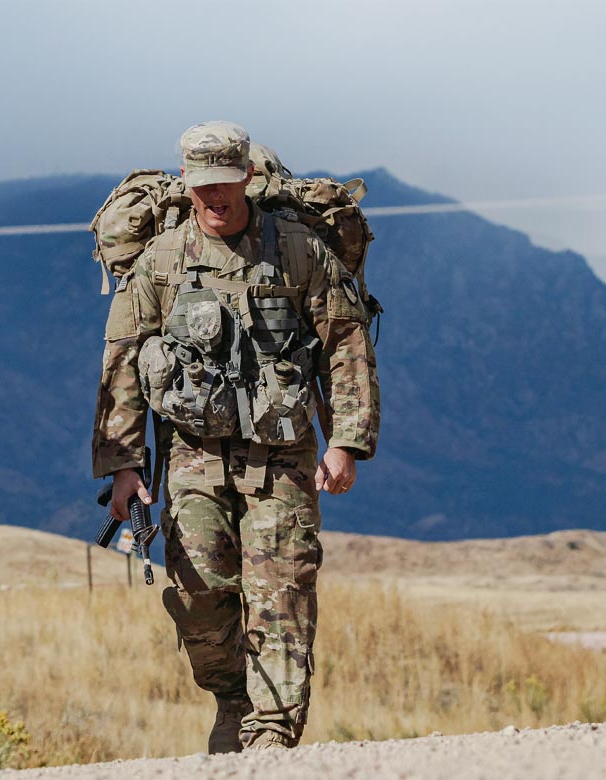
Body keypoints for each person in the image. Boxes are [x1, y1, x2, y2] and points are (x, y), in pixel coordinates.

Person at [92, 120, 380, 752]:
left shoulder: (298, 251)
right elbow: (123, 360)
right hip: (193, 454)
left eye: (224, 184)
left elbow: (346, 343)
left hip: (282, 454)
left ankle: (273, 729)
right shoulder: (162, 260)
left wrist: (347, 441)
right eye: (201, 188)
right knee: (199, 597)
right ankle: (232, 701)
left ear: (247, 178)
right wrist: (124, 465)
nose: (213, 199)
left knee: (282, 591)